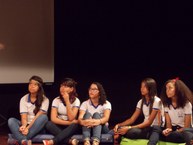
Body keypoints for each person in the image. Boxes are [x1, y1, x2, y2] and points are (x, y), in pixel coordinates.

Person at [113, 78, 164, 145]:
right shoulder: (140, 102)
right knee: (122, 129)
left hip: (155, 128)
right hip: (146, 128)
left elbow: (149, 122)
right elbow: (132, 119)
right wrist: (119, 125)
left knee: (154, 130)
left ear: (150, 88)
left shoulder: (157, 101)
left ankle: (152, 137)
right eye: (141, 87)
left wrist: (129, 128)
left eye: (144, 87)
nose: (141, 89)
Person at [8, 75, 49, 145]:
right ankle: (23, 141)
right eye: (30, 84)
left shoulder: (45, 99)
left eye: (35, 84)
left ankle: (19, 139)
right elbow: (24, 117)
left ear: (39, 87)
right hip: (26, 124)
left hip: (37, 126)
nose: (32, 86)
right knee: (11, 120)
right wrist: (24, 126)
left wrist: (28, 128)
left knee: (44, 117)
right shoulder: (24, 98)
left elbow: (38, 117)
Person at [43, 78, 80, 145]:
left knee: (75, 124)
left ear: (71, 89)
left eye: (65, 86)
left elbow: (71, 117)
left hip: (70, 127)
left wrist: (67, 101)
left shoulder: (76, 101)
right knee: (48, 123)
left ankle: (53, 141)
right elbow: (53, 119)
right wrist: (68, 123)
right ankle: (69, 141)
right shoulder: (56, 100)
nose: (62, 88)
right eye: (61, 86)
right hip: (59, 125)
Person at [160, 78, 193, 144]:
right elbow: (169, 125)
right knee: (158, 132)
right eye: (166, 88)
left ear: (177, 89)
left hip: (185, 130)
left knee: (181, 134)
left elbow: (187, 126)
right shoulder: (166, 104)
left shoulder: (186, 104)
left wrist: (176, 132)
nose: (167, 90)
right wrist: (167, 130)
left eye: (170, 88)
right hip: (174, 130)